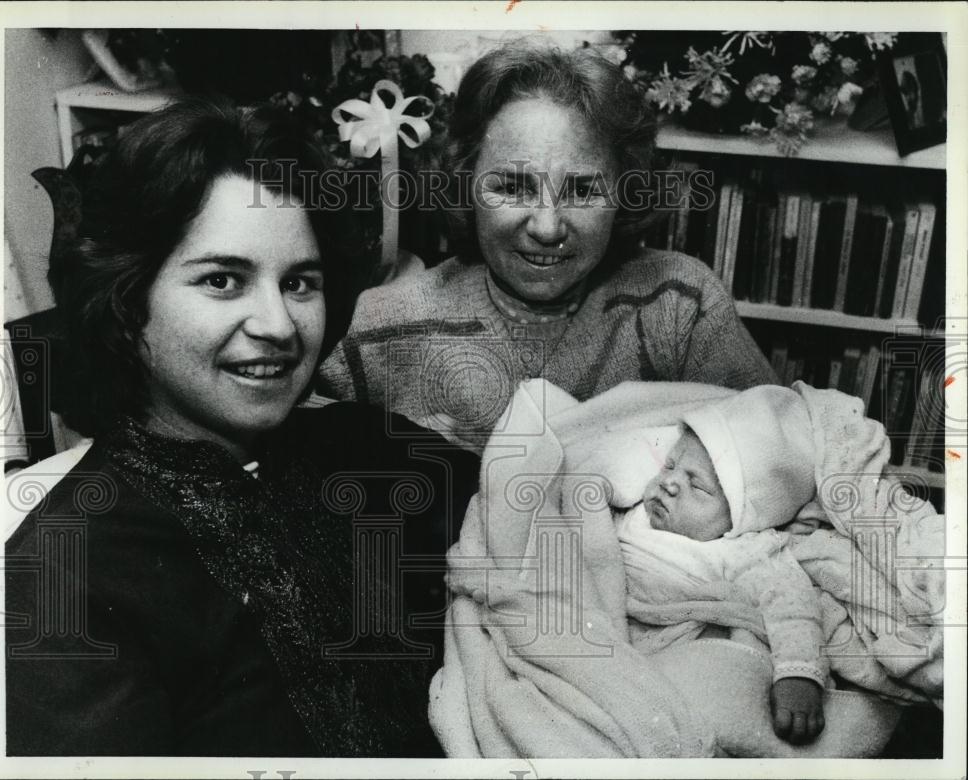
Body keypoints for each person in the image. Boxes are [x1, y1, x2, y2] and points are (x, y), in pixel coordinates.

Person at [4, 97, 479, 757]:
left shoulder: (362, 447)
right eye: (224, 280)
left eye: (300, 283)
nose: (279, 326)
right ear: (126, 298)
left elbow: (552, 506)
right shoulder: (65, 570)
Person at [318, 42, 776, 450]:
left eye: (581, 190)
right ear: (465, 183)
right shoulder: (380, 326)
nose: (547, 227)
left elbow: (783, 448)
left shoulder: (679, 305)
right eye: (513, 187)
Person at [614, 385, 827, 745]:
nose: (669, 483)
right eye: (670, 466)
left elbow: (793, 607)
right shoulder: (632, 512)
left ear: (740, 519)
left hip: (677, 653)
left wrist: (799, 675)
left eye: (697, 488)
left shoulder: (743, 550)